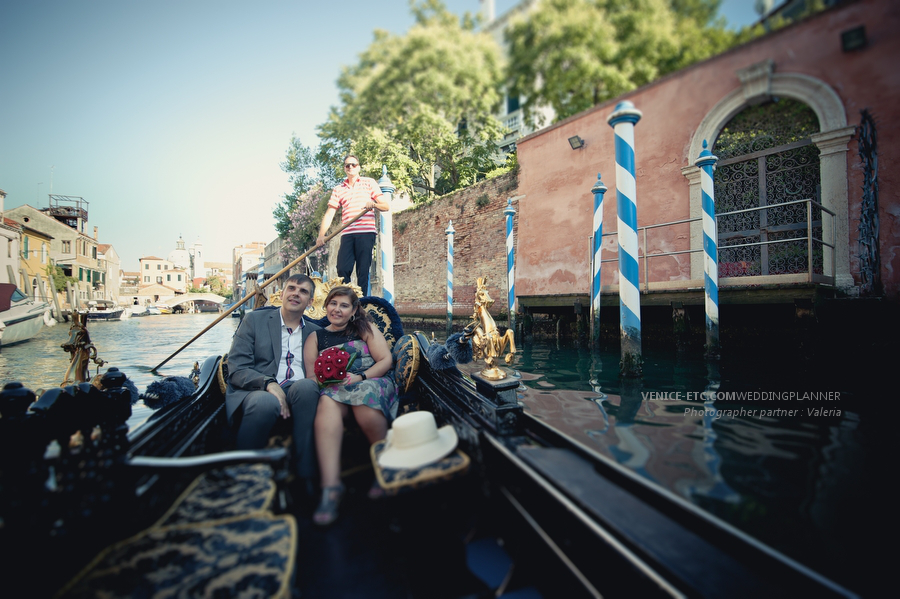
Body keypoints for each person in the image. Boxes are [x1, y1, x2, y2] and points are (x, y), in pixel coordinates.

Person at [303, 286, 398, 525]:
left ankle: (385, 467)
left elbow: (385, 360)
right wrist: (330, 381)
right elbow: (310, 376)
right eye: (333, 304)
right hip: (336, 388)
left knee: (363, 399)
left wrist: (361, 377)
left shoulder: (364, 328)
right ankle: (331, 487)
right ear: (326, 307)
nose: (337, 309)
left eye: (344, 305)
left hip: (372, 380)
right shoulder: (315, 337)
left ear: (354, 309)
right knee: (326, 402)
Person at [225, 273, 321, 494]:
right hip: (257, 388)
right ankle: (245, 474)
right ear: (282, 293)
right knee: (265, 403)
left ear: (310, 302)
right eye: (292, 288)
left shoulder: (315, 333)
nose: (296, 293)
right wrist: (269, 383)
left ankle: (305, 475)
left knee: (307, 387)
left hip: (298, 389)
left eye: (303, 291)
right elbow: (237, 368)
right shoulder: (253, 320)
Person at [316, 154, 390, 295]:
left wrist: (373, 204)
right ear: (344, 168)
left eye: (353, 165)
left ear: (358, 167)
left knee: (363, 271)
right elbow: (330, 213)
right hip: (348, 233)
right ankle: (346, 299)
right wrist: (321, 235)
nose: (350, 167)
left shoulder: (369, 183)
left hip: (366, 233)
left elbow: (385, 206)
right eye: (347, 165)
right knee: (342, 269)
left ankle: (361, 303)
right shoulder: (338, 189)